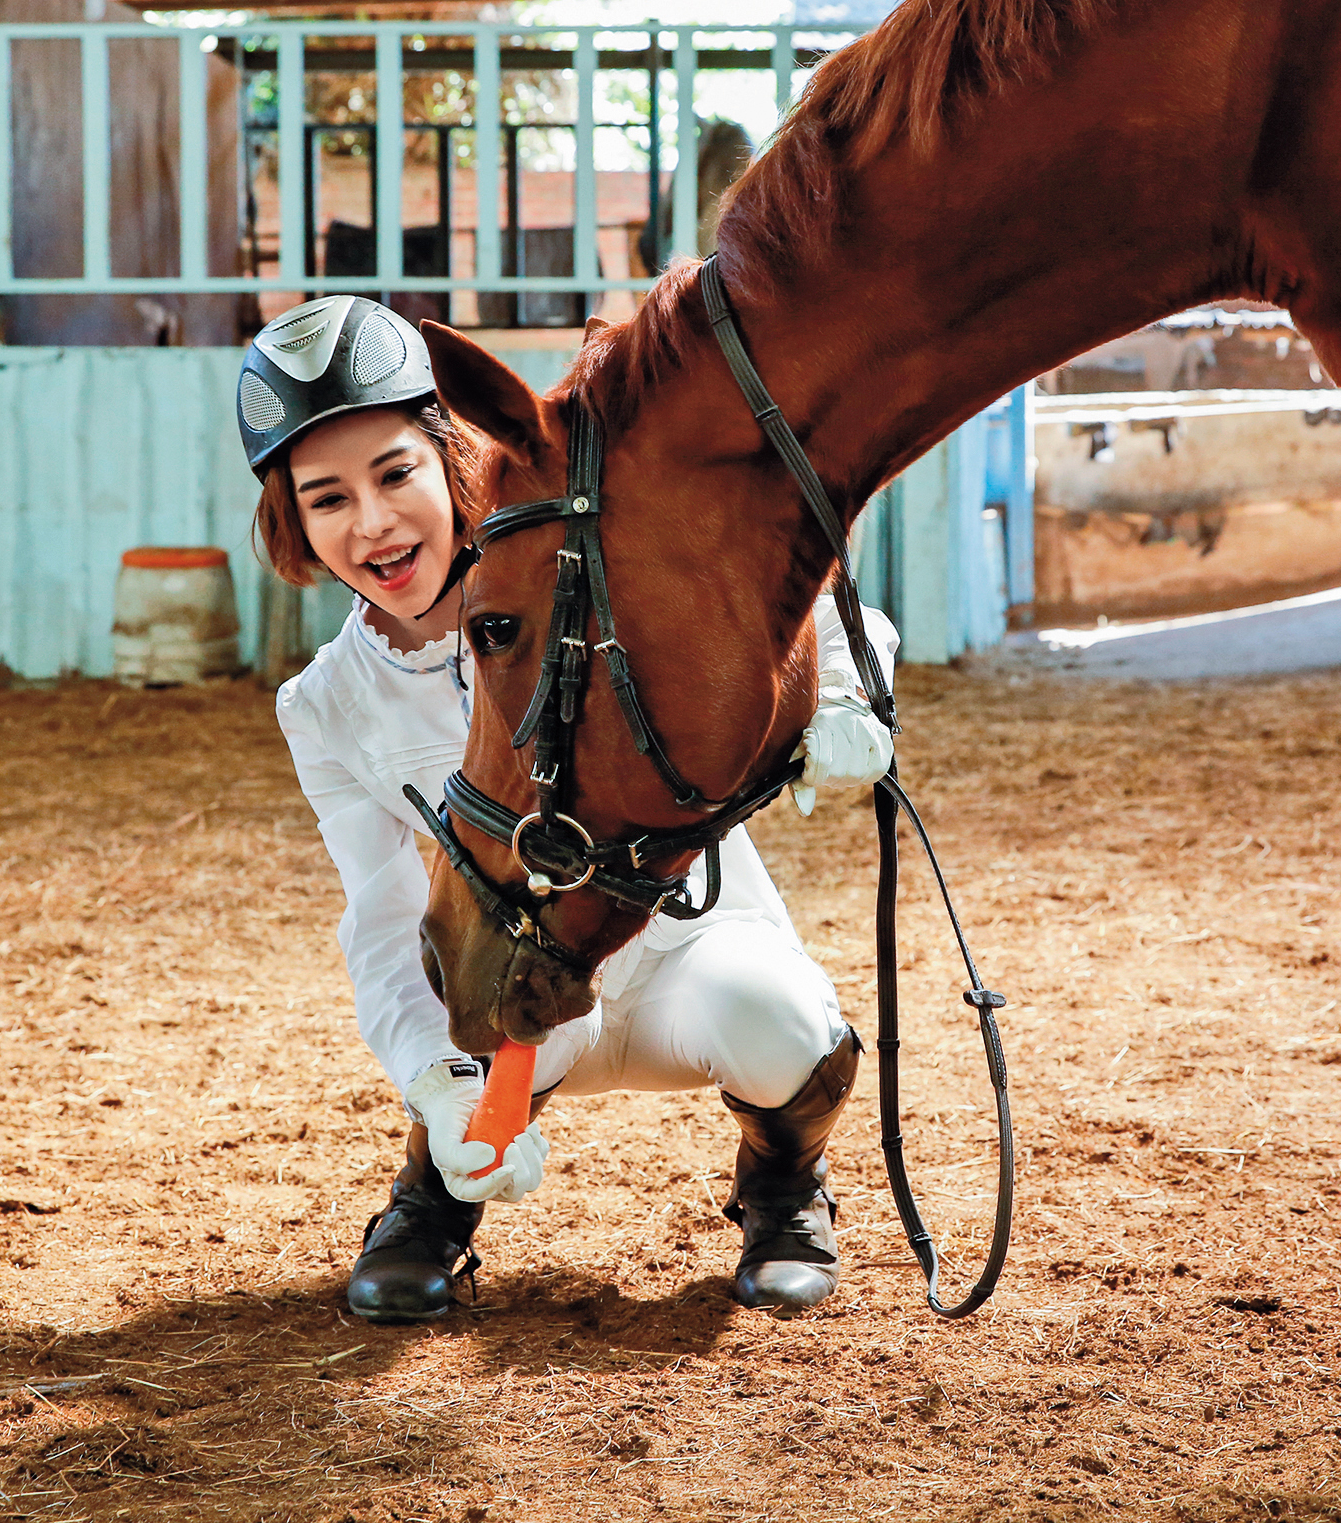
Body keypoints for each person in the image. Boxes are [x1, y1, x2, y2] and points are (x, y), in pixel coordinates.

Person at [239, 295, 899, 1323]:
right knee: (462, 1018)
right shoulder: (324, 705)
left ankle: (781, 1184)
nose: (370, 521)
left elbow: (788, 592)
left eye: (395, 473)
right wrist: (433, 1080)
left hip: (687, 949)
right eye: (325, 497)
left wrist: (850, 697)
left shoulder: (579, 570)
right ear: (294, 522)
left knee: (779, 1024)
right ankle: (428, 1204)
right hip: (524, 1001)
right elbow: (377, 916)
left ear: (453, 458)